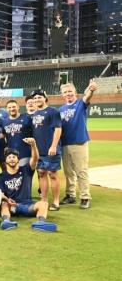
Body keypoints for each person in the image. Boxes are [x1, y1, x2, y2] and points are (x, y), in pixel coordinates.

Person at [0, 139, 57, 232]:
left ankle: (40, 223)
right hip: (12, 206)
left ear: (18, 159)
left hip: (28, 205)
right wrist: (7, 200)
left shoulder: (26, 170)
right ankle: (6, 222)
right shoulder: (1, 176)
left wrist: (33, 145)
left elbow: (35, 159)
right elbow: (0, 193)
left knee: (44, 203)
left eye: (14, 157)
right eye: (9, 157)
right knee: (4, 204)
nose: (12, 159)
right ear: (5, 161)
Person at [59, 81, 97, 209]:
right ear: (62, 95)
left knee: (81, 171)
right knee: (68, 172)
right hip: (65, 143)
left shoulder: (80, 104)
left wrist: (91, 90)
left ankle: (85, 197)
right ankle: (70, 195)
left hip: (79, 142)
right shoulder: (61, 109)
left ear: (75, 92)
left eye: (70, 91)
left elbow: (87, 97)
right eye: (65, 92)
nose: (68, 94)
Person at [30, 90, 62, 211]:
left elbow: (58, 129)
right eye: (35, 98)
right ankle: (44, 200)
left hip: (51, 150)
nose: (37, 99)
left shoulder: (53, 111)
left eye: (39, 97)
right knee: (41, 173)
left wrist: (54, 146)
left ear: (45, 98)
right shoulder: (34, 114)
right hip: (39, 151)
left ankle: (56, 201)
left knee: (52, 174)